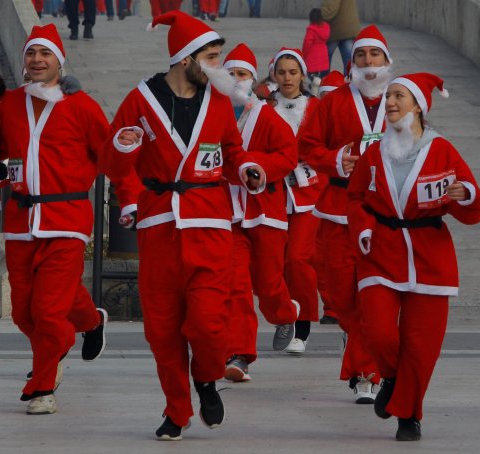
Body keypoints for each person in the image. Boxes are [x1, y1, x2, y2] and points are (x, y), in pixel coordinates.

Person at [101, 11, 266, 440]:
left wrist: (247, 166)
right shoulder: (140, 100)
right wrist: (123, 155)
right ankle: (177, 410)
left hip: (210, 222)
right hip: (159, 225)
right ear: (185, 58)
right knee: (161, 329)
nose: (219, 65)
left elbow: (231, 150)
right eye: (211, 57)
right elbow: (114, 163)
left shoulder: (219, 100)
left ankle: (207, 378)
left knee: (210, 324)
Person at [349, 73, 480, 441]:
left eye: (398, 96)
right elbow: (356, 197)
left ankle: (409, 415)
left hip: (430, 256)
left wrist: (465, 193)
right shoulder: (374, 151)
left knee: (422, 347)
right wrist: (362, 228)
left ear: (419, 106)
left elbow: (474, 209)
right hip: (380, 251)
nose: (390, 103)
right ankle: (391, 378)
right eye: (389, 96)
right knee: (376, 331)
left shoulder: (442, 149)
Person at [0, 24, 125, 415]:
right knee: (23, 311)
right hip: (21, 220)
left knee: (49, 311)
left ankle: (42, 385)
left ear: (59, 61)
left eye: (45, 54)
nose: (37, 60)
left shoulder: (82, 106)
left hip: (66, 219)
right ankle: (90, 321)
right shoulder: (7, 104)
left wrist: (134, 194)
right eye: (31, 54)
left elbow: (111, 158)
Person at [298, 24, 394, 403]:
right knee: (340, 298)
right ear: (351, 62)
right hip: (338, 210)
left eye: (375, 56)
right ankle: (356, 340)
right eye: (361, 56)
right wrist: (336, 159)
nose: (368, 63)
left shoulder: (401, 99)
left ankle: (368, 373)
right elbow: (307, 146)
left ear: (388, 61)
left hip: (383, 212)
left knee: (374, 296)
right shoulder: (334, 102)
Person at [222, 43, 299, 381]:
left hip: (265, 210)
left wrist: (258, 167)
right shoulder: (211, 115)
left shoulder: (268, 117)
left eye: (242, 74)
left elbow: (288, 155)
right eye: (230, 74)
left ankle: (284, 313)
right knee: (236, 284)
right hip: (228, 213)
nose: (236, 80)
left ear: (253, 80)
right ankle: (240, 355)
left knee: (268, 281)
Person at [270, 48, 323, 355]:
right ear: (274, 75)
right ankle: (284, 317)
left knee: (299, 259)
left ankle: (302, 326)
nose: (287, 78)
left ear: (302, 74)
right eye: (282, 72)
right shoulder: (263, 107)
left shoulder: (316, 107)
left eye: (293, 72)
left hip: (308, 193)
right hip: (272, 194)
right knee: (273, 263)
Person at [315, 69, 346, 325]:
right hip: (315, 197)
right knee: (320, 257)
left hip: (334, 197)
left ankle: (335, 307)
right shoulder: (315, 117)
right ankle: (329, 304)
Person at [321, 0, 360, 73]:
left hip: (335, 29)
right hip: (349, 27)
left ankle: (323, 82)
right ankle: (349, 82)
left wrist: (319, 16)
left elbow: (330, 8)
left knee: (324, 59)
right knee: (349, 61)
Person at [303, 8, 331, 84]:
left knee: (312, 78)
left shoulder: (311, 30)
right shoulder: (326, 27)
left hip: (313, 59)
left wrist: (304, 55)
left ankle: (314, 88)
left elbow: (307, 44)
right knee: (322, 78)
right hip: (324, 57)